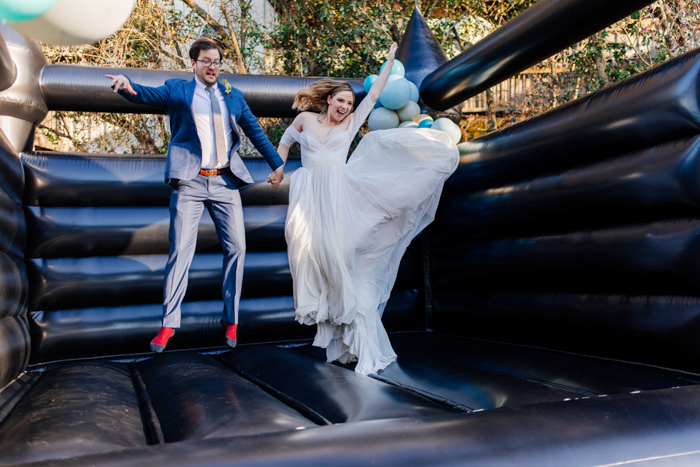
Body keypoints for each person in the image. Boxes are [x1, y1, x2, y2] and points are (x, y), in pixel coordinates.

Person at [274, 43, 459, 375]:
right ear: (329, 99)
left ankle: (356, 341)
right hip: (308, 193)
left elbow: (373, 96)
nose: (345, 106)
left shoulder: (352, 122)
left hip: (339, 194)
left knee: (340, 262)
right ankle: (328, 322)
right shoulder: (304, 119)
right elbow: (286, 141)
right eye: (340, 100)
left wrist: (388, 61)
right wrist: (278, 166)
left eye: (349, 102)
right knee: (303, 250)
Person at [107, 37, 284, 353]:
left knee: (238, 248)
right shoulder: (178, 89)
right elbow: (146, 95)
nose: (213, 66)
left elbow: (255, 131)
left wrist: (277, 165)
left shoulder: (233, 96)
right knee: (181, 251)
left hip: (224, 183)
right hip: (190, 181)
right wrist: (126, 86)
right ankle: (168, 325)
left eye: (217, 61)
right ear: (194, 63)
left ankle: (231, 320)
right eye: (206, 61)